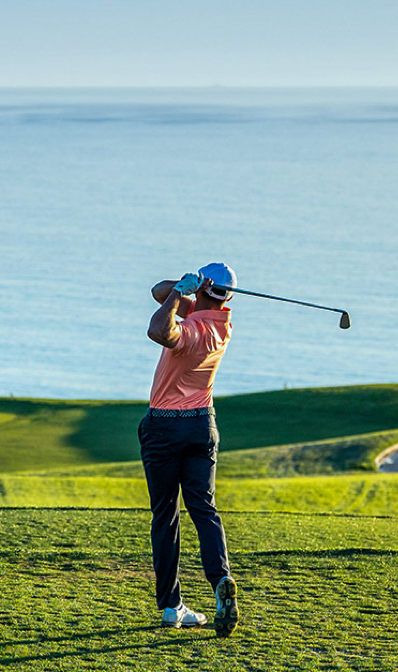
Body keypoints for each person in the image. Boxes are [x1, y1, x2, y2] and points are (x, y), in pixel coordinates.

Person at [143, 263, 240, 636]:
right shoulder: (222, 324)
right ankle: (221, 579)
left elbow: (158, 329)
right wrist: (185, 288)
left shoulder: (193, 331)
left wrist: (179, 292)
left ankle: (171, 606)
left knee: (166, 515)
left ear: (202, 292)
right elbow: (157, 290)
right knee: (204, 509)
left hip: (165, 427)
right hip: (203, 426)